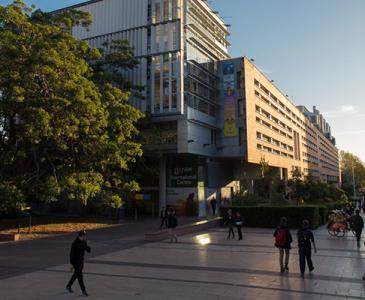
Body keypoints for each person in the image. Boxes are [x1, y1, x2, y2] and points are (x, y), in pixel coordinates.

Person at [66, 230, 91, 297]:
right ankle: (83, 291)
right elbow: (71, 254)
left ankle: (68, 286)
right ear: (80, 236)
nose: (85, 236)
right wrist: (71, 264)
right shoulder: (74, 244)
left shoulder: (84, 242)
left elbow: (88, 250)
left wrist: (88, 245)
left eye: (85, 235)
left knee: (76, 275)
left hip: (81, 262)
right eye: (84, 235)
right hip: (75, 262)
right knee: (80, 276)